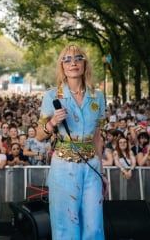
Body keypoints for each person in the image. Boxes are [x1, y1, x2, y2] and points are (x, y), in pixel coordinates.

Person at [35, 45, 106, 239]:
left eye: (78, 58)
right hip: (64, 165)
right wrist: (52, 122)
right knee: (66, 224)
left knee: (94, 225)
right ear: (62, 66)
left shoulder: (98, 96)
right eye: (67, 59)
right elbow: (39, 136)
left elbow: (98, 136)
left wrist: (101, 171)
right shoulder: (52, 96)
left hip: (91, 166)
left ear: (85, 64)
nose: (73, 62)